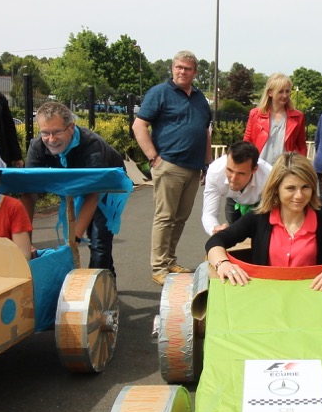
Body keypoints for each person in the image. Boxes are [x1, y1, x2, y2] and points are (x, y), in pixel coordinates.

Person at [205, 153, 322, 292]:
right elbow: (216, 241)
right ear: (276, 189)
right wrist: (223, 264)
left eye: (305, 187)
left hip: (312, 300)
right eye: (291, 188)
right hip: (264, 297)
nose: (299, 195)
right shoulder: (257, 218)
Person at [133, 51, 213, 285]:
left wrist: (207, 163)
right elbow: (139, 126)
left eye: (187, 68)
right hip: (169, 164)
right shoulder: (160, 93)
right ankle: (159, 267)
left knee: (180, 218)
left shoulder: (200, 98)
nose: (182, 72)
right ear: (172, 68)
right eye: (178, 67)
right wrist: (153, 157)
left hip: (193, 167)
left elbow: (205, 131)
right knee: (165, 217)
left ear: (195, 72)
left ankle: (169, 260)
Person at [20, 101, 124, 273]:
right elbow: (29, 193)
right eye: (45, 133)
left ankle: (101, 279)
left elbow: (93, 195)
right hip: (72, 181)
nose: (51, 140)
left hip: (106, 186)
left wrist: (74, 239)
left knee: (99, 242)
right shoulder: (37, 146)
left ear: (71, 127)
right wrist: (25, 241)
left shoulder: (92, 146)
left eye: (57, 132)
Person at [202, 141, 272, 234]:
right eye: (229, 170)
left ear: (255, 169)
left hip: (260, 201)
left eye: (241, 173)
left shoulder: (269, 176)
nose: (233, 178)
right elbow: (209, 213)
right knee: (232, 231)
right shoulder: (215, 172)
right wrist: (214, 229)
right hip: (233, 198)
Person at [243, 73, 306, 165]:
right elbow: (247, 143)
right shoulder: (255, 114)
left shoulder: (298, 116)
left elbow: (301, 146)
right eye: (281, 92)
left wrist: (301, 166)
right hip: (259, 166)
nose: (285, 95)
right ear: (270, 93)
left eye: (287, 91)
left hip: (285, 167)